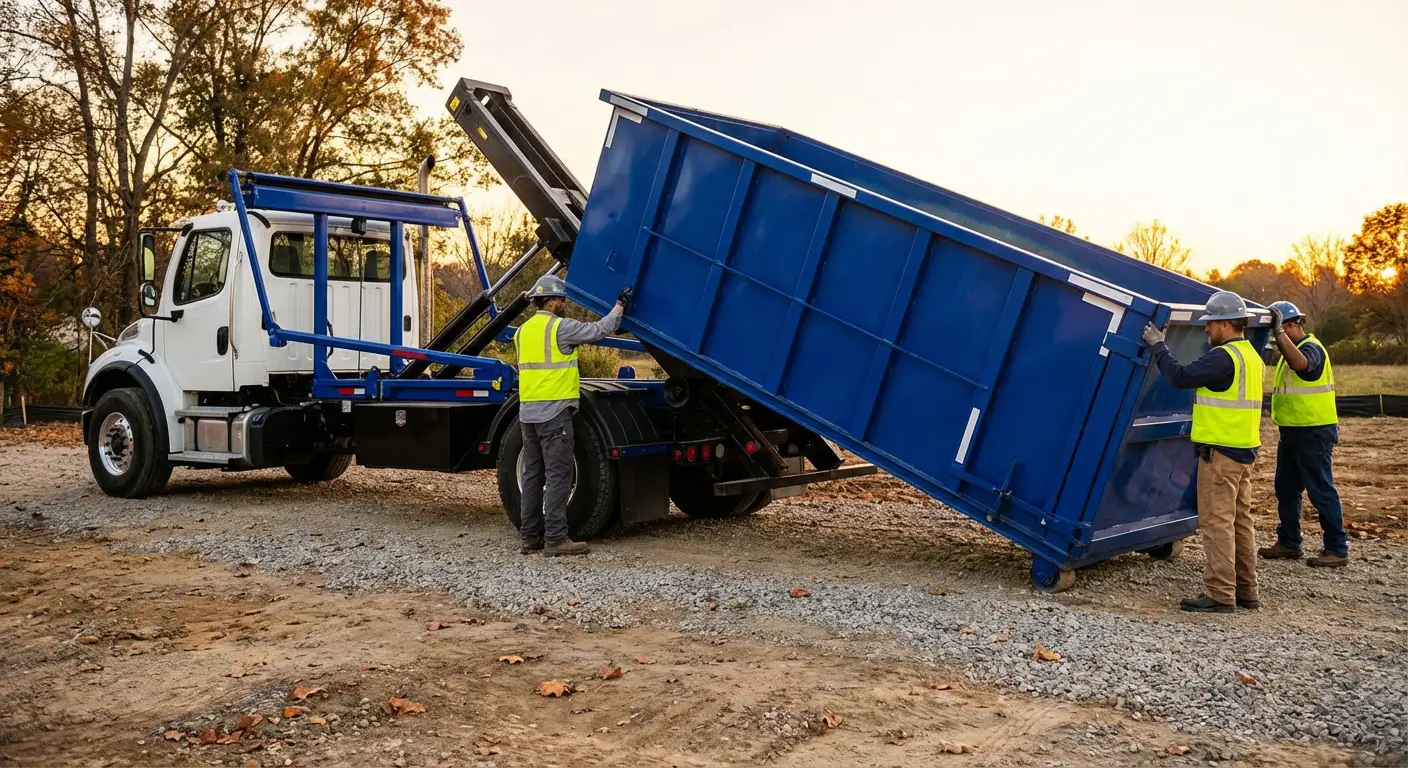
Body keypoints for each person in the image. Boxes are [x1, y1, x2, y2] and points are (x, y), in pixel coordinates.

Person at [1142, 291, 1263, 613]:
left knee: (1216, 523)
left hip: (1220, 455)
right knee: (1240, 522)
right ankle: (1247, 591)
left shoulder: (1222, 357)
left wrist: (1158, 345)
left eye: (1210, 324)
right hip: (1242, 452)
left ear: (1224, 323)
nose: (1206, 330)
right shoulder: (1251, 356)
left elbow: (1179, 377)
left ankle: (1221, 594)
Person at [514, 275, 630, 557]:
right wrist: (620, 306)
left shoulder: (522, 331)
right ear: (549, 301)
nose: (564, 302)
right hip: (553, 413)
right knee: (558, 475)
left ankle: (530, 537)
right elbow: (598, 330)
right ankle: (555, 539)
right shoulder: (559, 328)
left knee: (533, 475)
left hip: (528, 413)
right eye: (560, 298)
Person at [1257, 300, 1349, 567]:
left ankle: (1336, 548)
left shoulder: (1311, 348)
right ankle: (1289, 542)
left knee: (1321, 490)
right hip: (1293, 432)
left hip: (1314, 432)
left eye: (1280, 328)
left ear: (1291, 325)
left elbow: (1303, 366)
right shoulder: (1290, 350)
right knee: (1285, 489)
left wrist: (1279, 336)